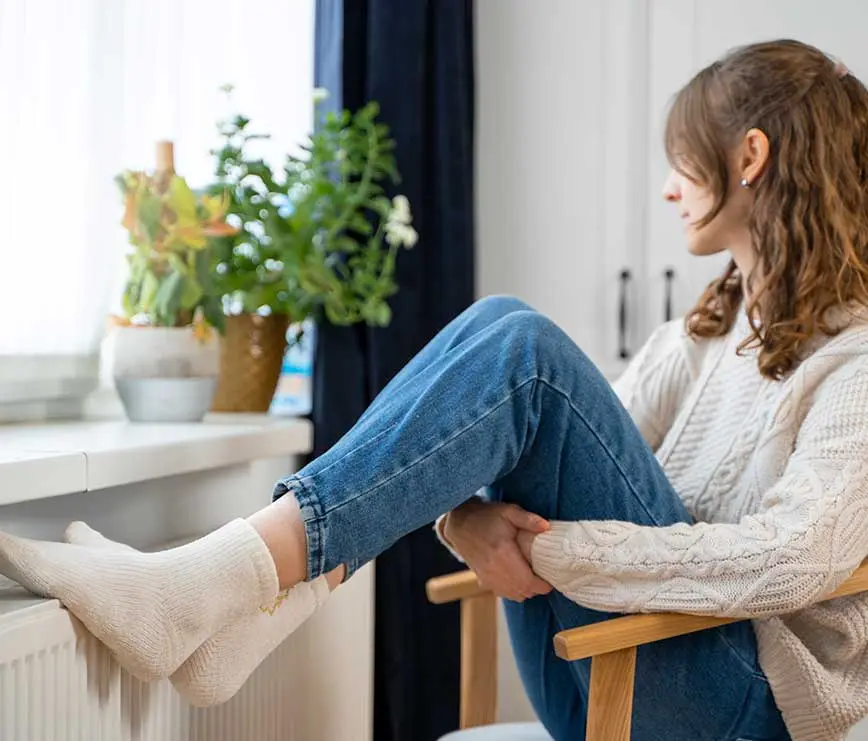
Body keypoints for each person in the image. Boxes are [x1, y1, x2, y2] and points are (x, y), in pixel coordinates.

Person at [2, 38, 868, 741]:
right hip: (606, 662)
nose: (671, 186)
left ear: (748, 155)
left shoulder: (857, 362)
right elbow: (541, 441)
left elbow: (792, 557)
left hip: (739, 711)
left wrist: (554, 550)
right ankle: (245, 595)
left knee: (523, 348)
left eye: (682, 160)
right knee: (505, 329)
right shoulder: (707, 336)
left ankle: (225, 587)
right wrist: (469, 520)